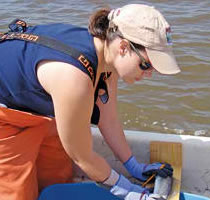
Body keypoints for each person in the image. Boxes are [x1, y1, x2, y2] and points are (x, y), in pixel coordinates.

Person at [0, 4, 180, 200]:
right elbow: (82, 157)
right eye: (146, 64)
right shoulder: (73, 78)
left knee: (57, 177)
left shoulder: (106, 57)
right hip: (5, 117)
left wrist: (133, 166)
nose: (149, 74)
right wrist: (128, 191)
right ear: (123, 47)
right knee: (16, 193)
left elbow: (108, 119)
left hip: (32, 105)